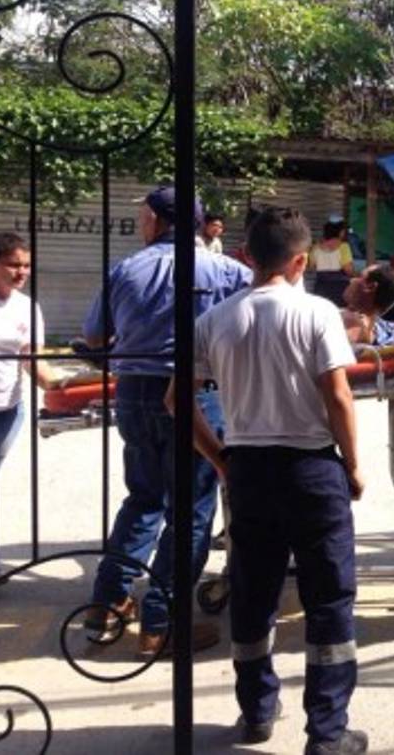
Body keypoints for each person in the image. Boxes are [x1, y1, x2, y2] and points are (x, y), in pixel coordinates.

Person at [179, 206, 367, 755]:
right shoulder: (316, 313)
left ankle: (257, 711)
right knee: (329, 597)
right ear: (302, 260)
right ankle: (327, 734)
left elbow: (177, 400)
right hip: (311, 470)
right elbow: (337, 395)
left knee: (253, 591)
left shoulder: (214, 321)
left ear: (245, 257)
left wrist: (220, 459)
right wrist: (353, 465)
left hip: (249, 471)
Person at [83, 184, 252, 657]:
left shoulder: (126, 269)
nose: (140, 224)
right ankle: (160, 622)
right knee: (192, 510)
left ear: (157, 220)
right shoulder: (229, 272)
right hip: (197, 394)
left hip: (135, 391)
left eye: (142, 216)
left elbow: (94, 337)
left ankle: (108, 601)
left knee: (143, 499)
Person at [0, 232, 54, 590]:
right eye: (13, 264)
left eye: (26, 264)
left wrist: (56, 386)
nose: (21, 271)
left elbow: (30, 359)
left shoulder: (27, 306)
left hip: (8, 408)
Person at [341, 263, 394, 350]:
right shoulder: (378, 326)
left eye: (359, 277)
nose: (352, 280)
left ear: (370, 287)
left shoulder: (351, 323)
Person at [311, 216, 356, 306]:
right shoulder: (344, 247)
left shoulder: (315, 248)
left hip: (321, 287)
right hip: (339, 289)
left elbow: (312, 266)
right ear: (341, 231)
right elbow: (348, 270)